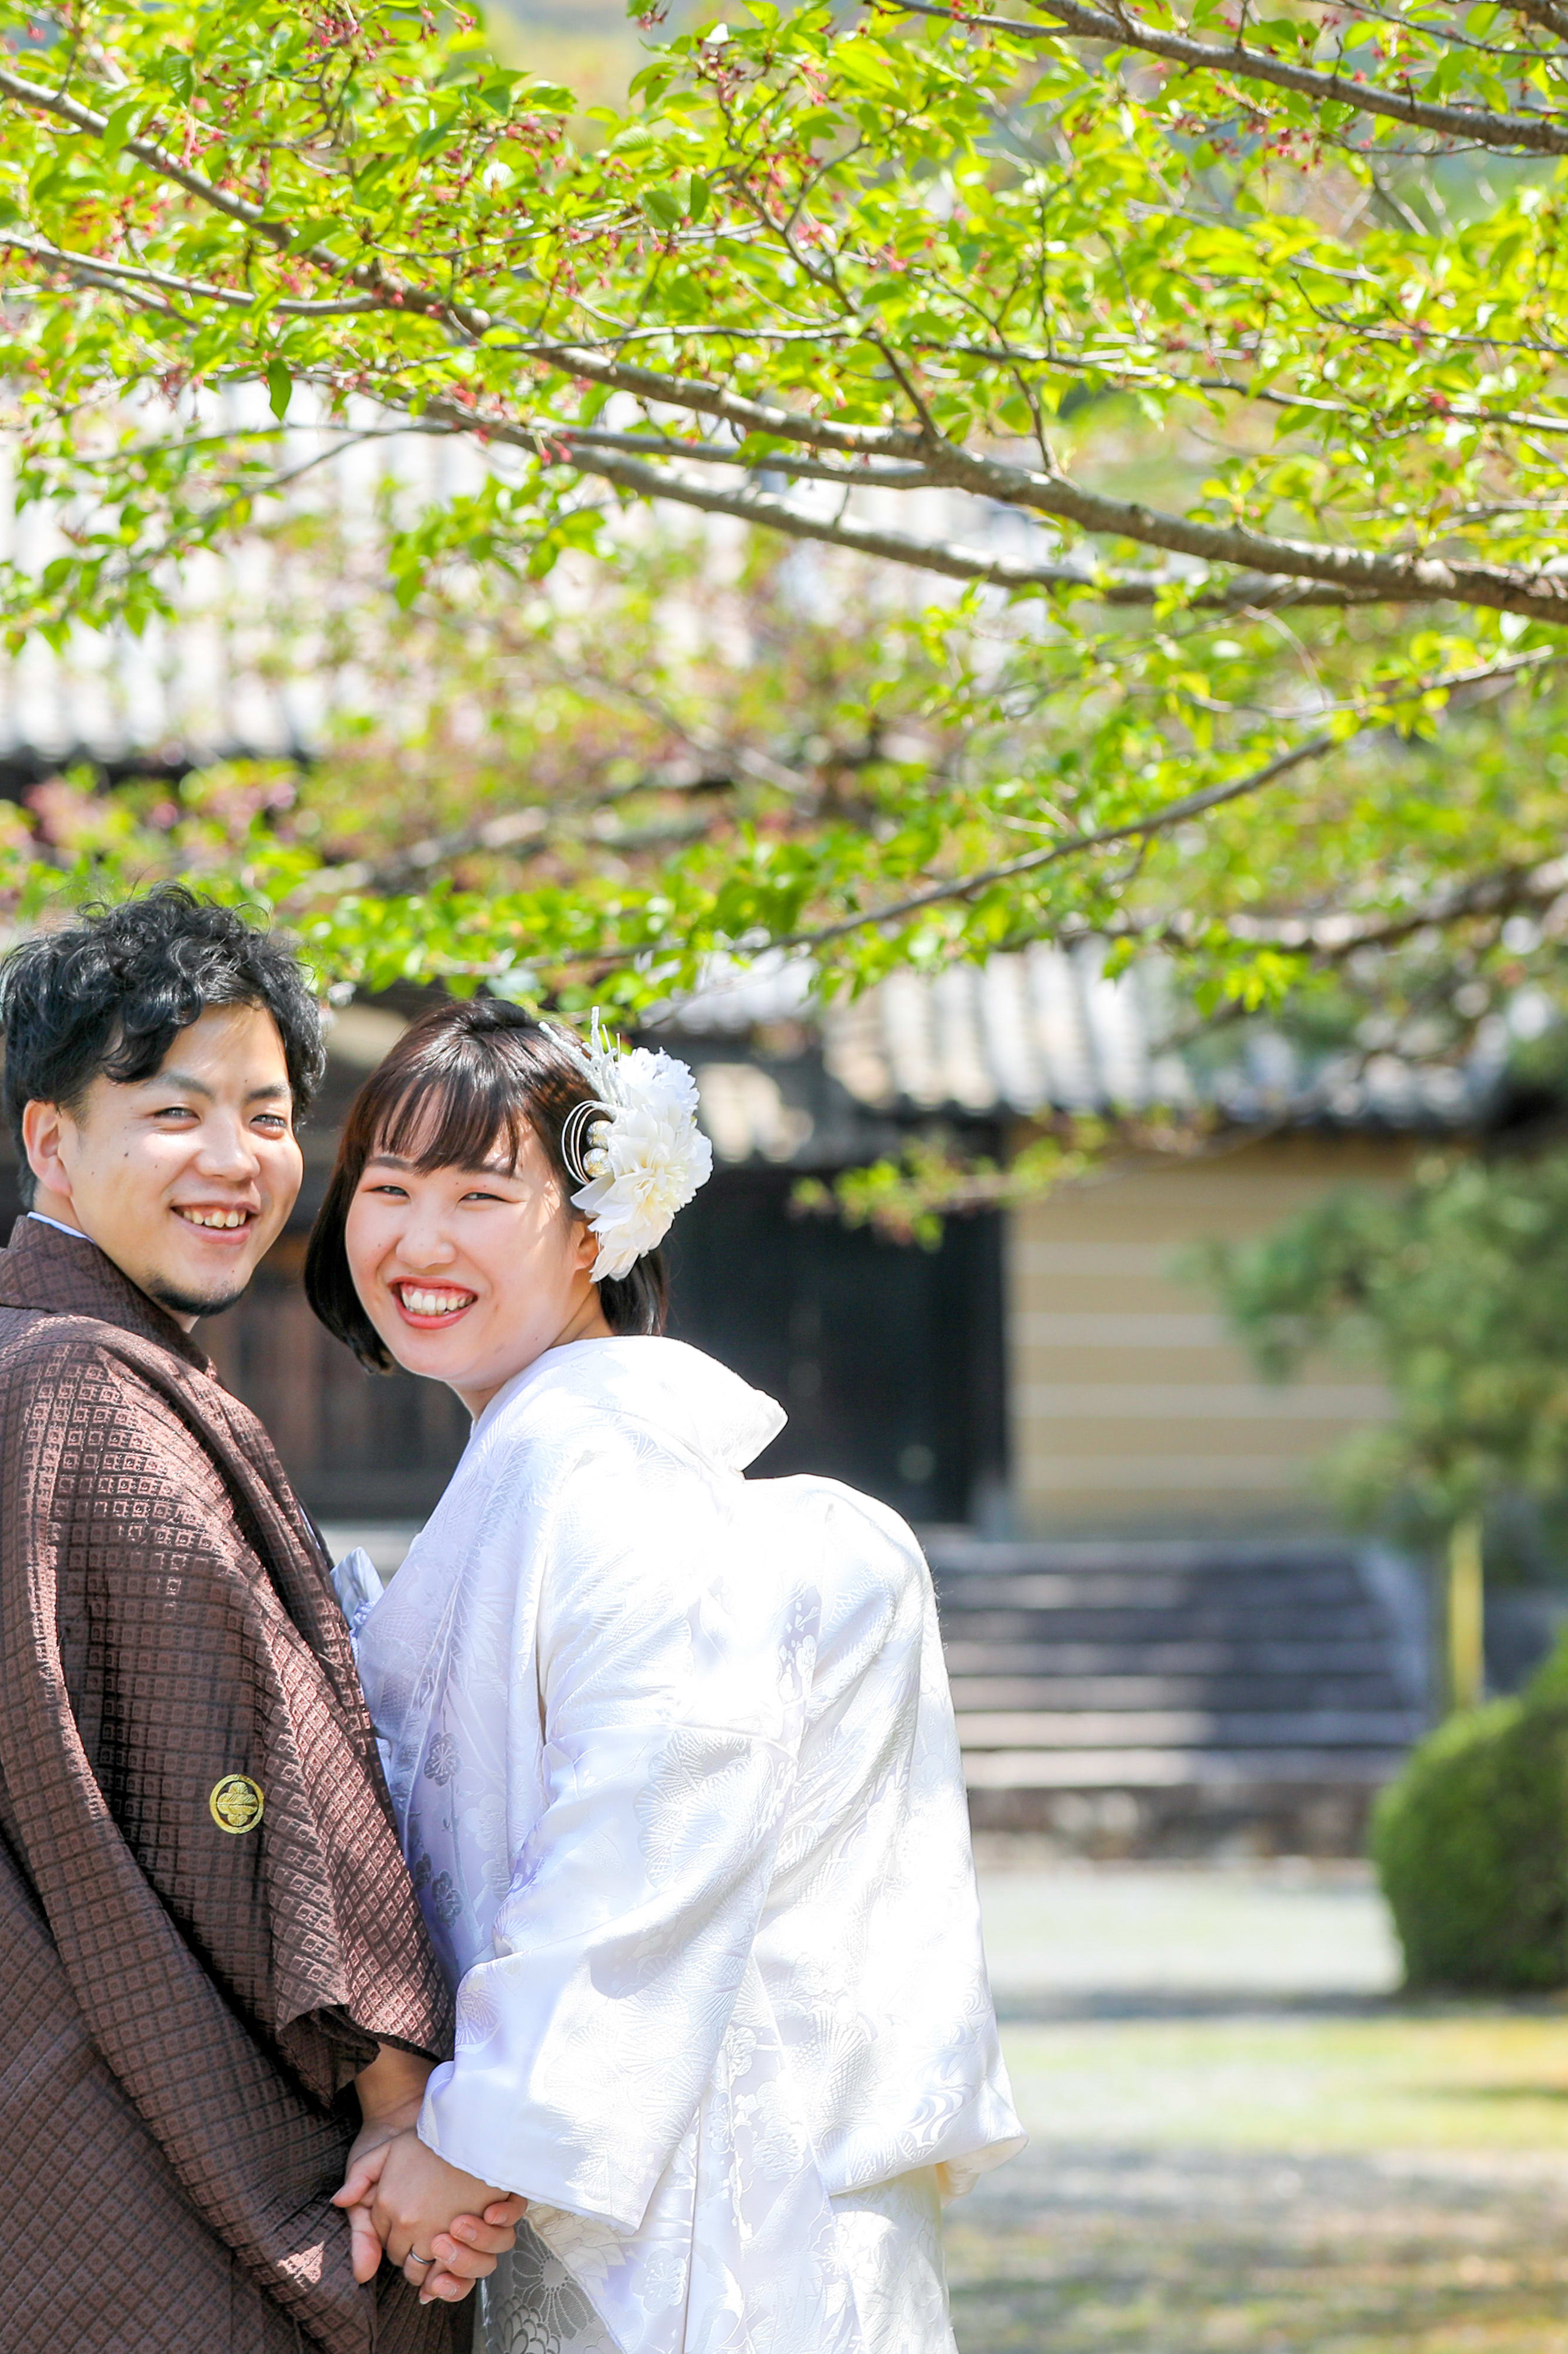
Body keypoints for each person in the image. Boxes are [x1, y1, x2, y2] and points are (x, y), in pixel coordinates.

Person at [0, 889, 520, 2352]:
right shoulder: (84, 1391)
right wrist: (402, 2098)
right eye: (172, 1111)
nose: (233, 1161)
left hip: (2, 2129)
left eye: (267, 1117)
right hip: (128, 2182)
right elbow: (255, 1786)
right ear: (50, 1140)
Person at [314, 996, 1026, 2354]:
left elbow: (648, 1818)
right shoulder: (550, 1457)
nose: (418, 1240)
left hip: (713, 2202)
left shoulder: (607, 1466)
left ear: (593, 1230)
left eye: (479, 1195)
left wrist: (474, 2141)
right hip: (632, 2166)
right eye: (387, 1188)